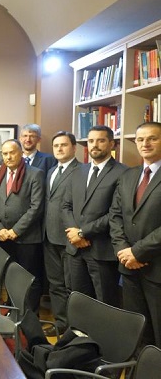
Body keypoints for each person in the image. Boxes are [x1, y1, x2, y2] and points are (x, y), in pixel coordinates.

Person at [62, 125, 126, 308]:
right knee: (79, 301)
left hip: (101, 250)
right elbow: (65, 206)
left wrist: (83, 232)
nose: (95, 145)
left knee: (105, 303)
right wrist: (74, 234)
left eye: (101, 140)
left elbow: (115, 213)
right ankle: (82, 328)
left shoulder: (123, 173)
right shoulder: (78, 171)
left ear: (112, 144)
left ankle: (105, 330)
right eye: (91, 141)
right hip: (75, 249)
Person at [110, 122, 161, 347]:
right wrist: (123, 250)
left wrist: (138, 252)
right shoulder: (129, 175)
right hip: (128, 267)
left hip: (157, 268)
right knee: (137, 330)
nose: (145, 143)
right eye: (140, 139)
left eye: (152, 138)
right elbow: (115, 216)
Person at [0, 139, 44, 312]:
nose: (8, 157)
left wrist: (16, 230)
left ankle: (28, 316)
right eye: (5, 153)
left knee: (27, 278)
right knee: (8, 277)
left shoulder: (35, 174)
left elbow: (36, 207)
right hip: (2, 236)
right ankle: (12, 311)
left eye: (12, 152)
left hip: (26, 238)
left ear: (21, 153)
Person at [42, 131, 81, 336]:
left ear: (74, 147)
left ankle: (74, 329)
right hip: (49, 236)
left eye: (64, 145)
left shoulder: (81, 171)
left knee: (71, 286)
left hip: (69, 237)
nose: (59, 149)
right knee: (55, 284)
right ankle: (61, 324)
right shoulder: (51, 171)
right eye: (56, 145)